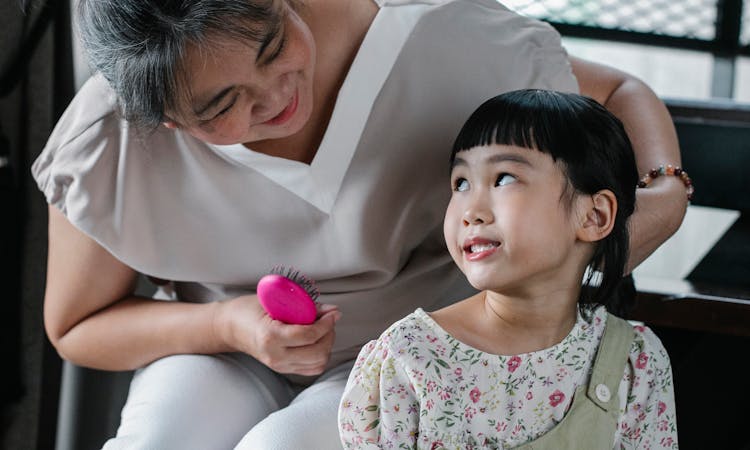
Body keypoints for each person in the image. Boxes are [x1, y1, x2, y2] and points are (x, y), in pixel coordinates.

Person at [31, 0, 686, 448]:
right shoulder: (112, 137)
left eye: (272, 46)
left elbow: (617, 91)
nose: (275, 94)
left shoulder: (442, 40)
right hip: (228, 349)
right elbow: (78, 325)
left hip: (418, 344)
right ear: (167, 122)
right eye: (224, 104)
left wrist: (664, 192)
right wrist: (226, 324)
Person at [338, 89, 679, 449]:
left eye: (503, 178)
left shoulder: (633, 361)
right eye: (461, 183)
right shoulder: (411, 355)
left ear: (594, 216)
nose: (471, 210)